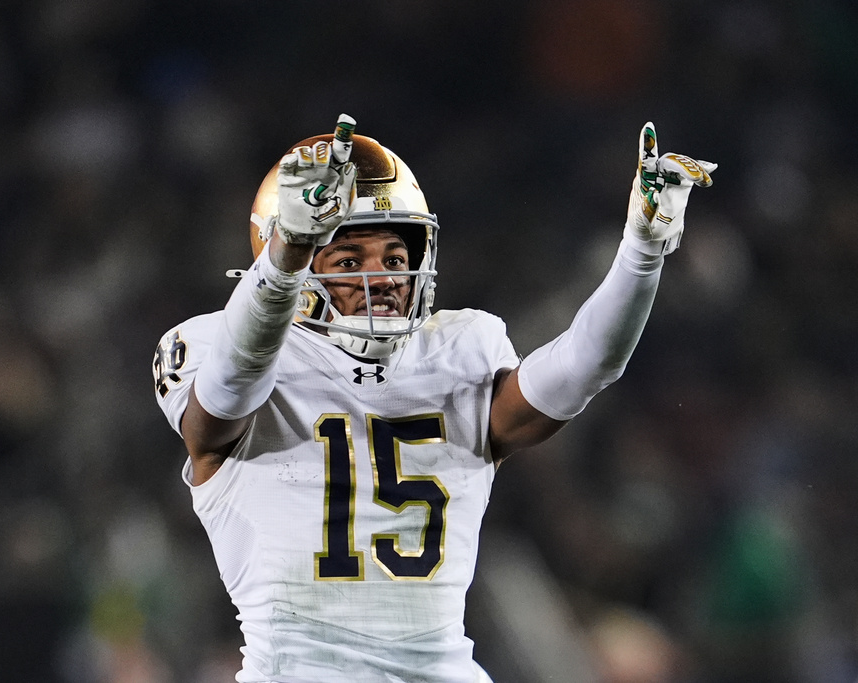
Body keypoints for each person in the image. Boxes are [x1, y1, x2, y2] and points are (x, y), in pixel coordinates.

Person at [153, 114, 715, 682]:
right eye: (349, 261)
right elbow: (223, 401)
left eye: (395, 258)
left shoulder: (458, 347)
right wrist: (284, 260)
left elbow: (583, 368)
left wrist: (641, 253)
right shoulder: (219, 348)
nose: (383, 278)